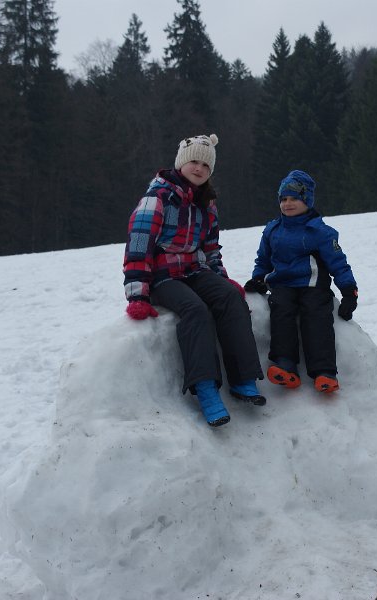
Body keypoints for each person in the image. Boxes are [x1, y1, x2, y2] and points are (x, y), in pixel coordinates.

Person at [122, 133, 265, 427]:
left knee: (230, 298)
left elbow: (210, 248)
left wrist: (221, 278)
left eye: (206, 165)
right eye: (194, 162)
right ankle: (206, 389)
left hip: (194, 271)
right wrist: (137, 294)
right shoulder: (157, 198)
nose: (199, 168)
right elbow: (139, 245)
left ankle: (243, 379)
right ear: (181, 163)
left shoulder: (206, 203)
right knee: (196, 310)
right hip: (162, 278)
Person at [244, 170, 358, 394]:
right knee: (281, 312)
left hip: (312, 285)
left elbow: (338, 263)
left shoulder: (321, 232)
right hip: (283, 285)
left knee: (316, 315)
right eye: (283, 199)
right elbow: (263, 259)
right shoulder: (272, 230)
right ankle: (285, 363)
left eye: (294, 198)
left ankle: (324, 371)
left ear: (307, 200)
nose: (287, 204)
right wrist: (258, 278)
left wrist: (348, 291)